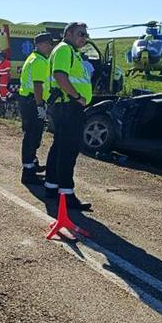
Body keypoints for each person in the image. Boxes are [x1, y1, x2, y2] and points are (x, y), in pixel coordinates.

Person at [44, 22, 93, 210]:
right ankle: (66, 193)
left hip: (64, 106)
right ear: (69, 34)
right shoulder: (65, 50)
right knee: (68, 150)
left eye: (86, 35)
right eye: (81, 34)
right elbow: (59, 75)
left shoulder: (71, 52)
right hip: (68, 105)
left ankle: (51, 186)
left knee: (59, 147)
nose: (84, 38)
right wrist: (78, 96)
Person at [18, 33, 54, 185]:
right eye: (48, 44)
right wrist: (40, 105)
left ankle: (32, 164)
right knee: (32, 136)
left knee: (32, 135)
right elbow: (37, 85)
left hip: (28, 101)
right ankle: (28, 171)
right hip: (33, 102)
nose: (50, 47)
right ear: (39, 45)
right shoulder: (39, 61)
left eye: (51, 44)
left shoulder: (34, 58)